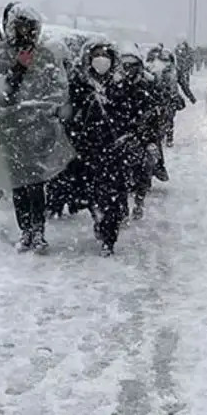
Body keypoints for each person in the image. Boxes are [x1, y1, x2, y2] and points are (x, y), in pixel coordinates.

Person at [0, 3, 74, 253]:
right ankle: (26, 231)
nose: (25, 34)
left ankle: (38, 231)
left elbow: (58, 90)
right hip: (11, 131)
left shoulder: (46, 56)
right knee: (19, 183)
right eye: (20, 27)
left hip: (40, 130)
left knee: (36, 183)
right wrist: (18, 70)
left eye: (30, 28)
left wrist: (45, 110)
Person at [66, 41, 148, 255]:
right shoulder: (80, 83)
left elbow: (135, 113)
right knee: (92, 194)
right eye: (97, 55)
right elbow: (71, 115)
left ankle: (109, 236)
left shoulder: (122, 85)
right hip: (87, 150)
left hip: (114, 150)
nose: (101, 59)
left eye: (105, 55)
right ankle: (99, 219)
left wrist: (130, 135)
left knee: (112, 194)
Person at [111, 44, 160, 220]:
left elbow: (154, 114)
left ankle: (139, 202)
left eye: (132, 65)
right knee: (119, 175)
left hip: (143, 136)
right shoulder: (115, 86)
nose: (128, 69)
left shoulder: (147, 85)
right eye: (125, 65)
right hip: (121, 136)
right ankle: (122, 208)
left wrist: (148, 138)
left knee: (144, 171)